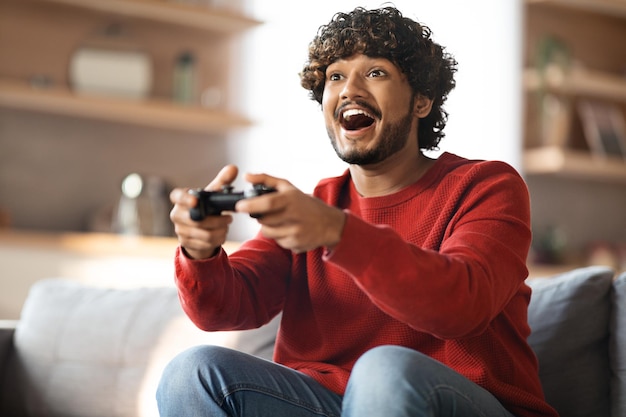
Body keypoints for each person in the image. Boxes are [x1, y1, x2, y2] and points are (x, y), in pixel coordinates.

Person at [157, 6, 558, 417]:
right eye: (335, 76)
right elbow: (225, 307)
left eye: (376, 72)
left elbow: (463, 304)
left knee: (383, 370)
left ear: (422, 100)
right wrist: (200, 254)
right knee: (192, 373)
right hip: (333, 404)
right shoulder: (320, 206)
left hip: (458, 402)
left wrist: (338, 233)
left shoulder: (487, 186)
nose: (349, 89)